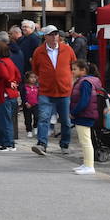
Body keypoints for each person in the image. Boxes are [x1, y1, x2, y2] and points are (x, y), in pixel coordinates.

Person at [31, 24, 76, 157]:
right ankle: (42, 144)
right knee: (43, 118)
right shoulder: (39, 52)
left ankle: (65, 144)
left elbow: (73, 66)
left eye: (56, 34)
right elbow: (35, 69)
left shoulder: (67, 50)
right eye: (51, 34)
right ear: (45, 37)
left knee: (66, 121)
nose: (55, 37)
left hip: (64, 90)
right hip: (46, 90)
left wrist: (70, 81)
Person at [69, 59, 105, 175]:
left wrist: (74, 112)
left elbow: (84, 100)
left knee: (85, 140)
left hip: (84, 114)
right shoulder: (87, 81)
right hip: (86, 113)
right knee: (84, 140)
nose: (72, 71)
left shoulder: (85, 82)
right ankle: (86, 163)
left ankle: (89, 166)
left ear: (83, 70)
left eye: (74, 69)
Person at [0, 41, 21, 152]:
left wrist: (8, 82)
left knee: (4, 120)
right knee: (8, 120)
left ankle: (8, 144)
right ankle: (7, 142)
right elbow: (18, 75)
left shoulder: (1, 62)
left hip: (3, 93)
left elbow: (3, 75)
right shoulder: (10, 61)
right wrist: (14, 83)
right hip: (11, 93)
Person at [21, 70, 40, 138]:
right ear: (27, 78)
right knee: (28, 119)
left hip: (36, 105)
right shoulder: (24, 87)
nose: (33, 79)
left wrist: (38, 102)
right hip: (27, 105)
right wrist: (26, 103)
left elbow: (38, 96)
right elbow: (23, 96)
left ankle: (35, 127)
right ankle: (29, 130)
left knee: (37, 116)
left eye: (34, 77)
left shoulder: (37, 87)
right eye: (31, 77)